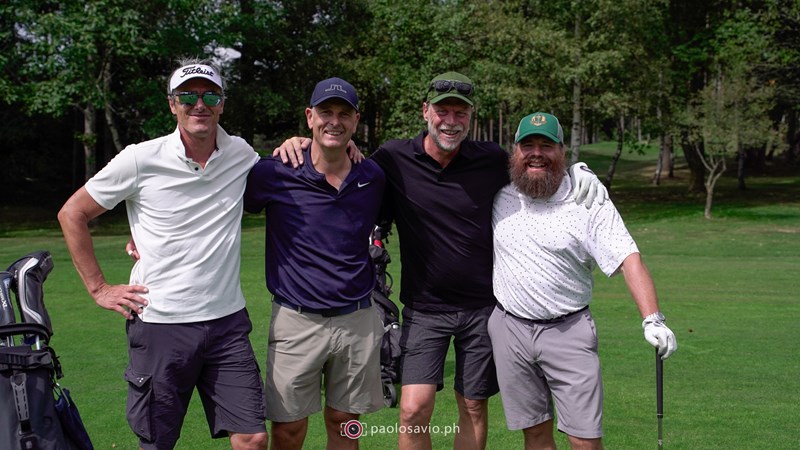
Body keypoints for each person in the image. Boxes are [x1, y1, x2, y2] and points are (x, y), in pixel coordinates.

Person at [274, 72, 607, 450]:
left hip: (483, 309)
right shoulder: (393, 159)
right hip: (424, 309)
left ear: (470, 117)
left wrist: (579, 169)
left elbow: (537, 168)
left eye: (460, 113)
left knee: (473, 406)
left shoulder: (491, 160)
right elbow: (342, 157)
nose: (451, 120)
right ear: (425, 111)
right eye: (443, 110)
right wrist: (304, 142)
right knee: (413, 409)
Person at [57, 58, 269, 450]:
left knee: (253, 438)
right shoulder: (141, 158)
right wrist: (99, 288)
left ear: (223, 102)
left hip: (227, 324)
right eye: (188, 96)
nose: (199, 104)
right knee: (157, 442)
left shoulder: (241, 153)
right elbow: (72, 213)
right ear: (173, 104)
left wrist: (303, 142)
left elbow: (290, 175)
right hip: (160, 325)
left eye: (210, 95)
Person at [489, 112, 678, 449]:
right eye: (527, 145)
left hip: (569, 331)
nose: (536, 153)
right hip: (510, 329)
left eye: (546, 145)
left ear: (562, 151)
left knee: (585, 440)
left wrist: (653, 319)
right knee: (534, 433)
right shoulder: (499, 193)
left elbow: (627, 257)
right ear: (514, 152)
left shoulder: (587, 199)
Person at [244, 77, 386, 450]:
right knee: (288, 430)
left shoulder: (371, 176)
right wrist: (145, 236)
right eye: (325, 112)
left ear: (356, 122)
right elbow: (216, 205)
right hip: (297, 320)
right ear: (309, 117)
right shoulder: (274, 171)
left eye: (344, 114)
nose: (334, 121)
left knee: (346, 424)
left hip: (357, 319)